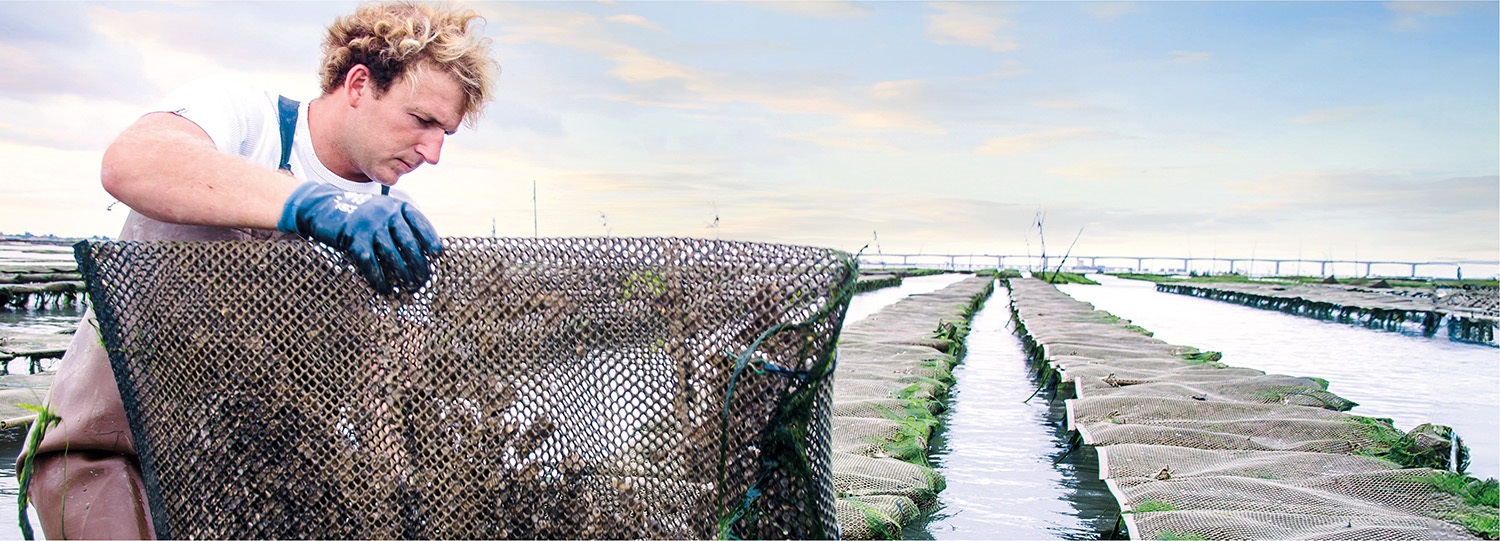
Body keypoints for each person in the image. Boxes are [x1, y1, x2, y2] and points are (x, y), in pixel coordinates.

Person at [20, 2, 498, 538]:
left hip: (246, 486)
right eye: (422, 121)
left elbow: (375, 398)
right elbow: (131, 162)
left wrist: (399, 498)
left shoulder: (390, 228)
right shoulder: (250, 119)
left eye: (446, 134)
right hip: (110, 455)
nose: (433, 152)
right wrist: (320, 210)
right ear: (360, 84)